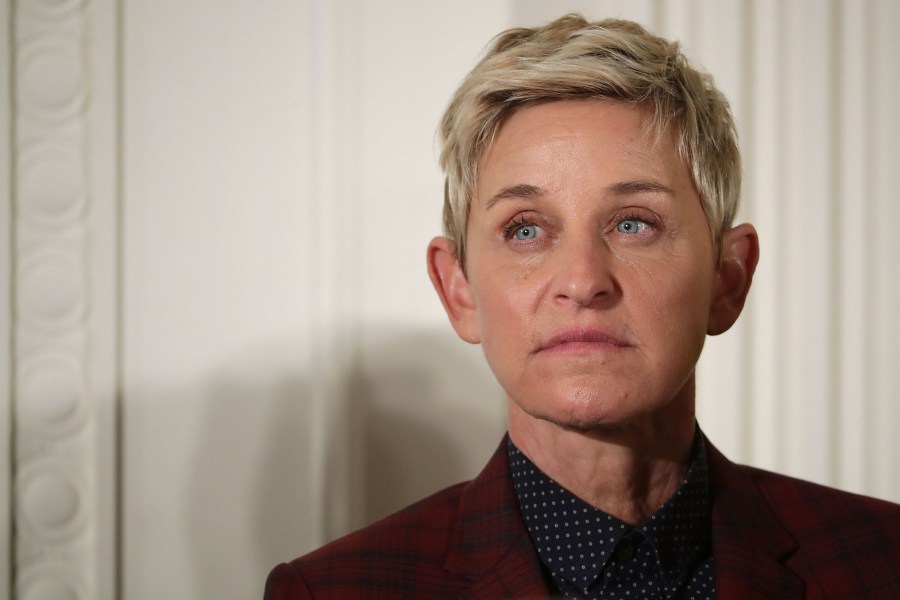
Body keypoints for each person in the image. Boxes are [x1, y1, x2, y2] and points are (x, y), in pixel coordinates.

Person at [265, 14, 900, 599]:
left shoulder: (882, 562)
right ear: (458, 290)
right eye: (524, 230)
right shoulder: (333, 591)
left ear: (727, 278)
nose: (582, 280)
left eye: (633, 224)